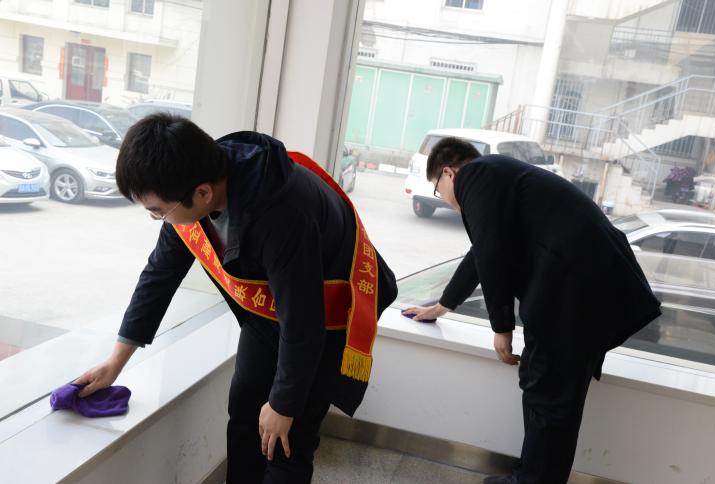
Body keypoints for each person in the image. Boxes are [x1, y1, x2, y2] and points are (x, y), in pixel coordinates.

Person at [74, 114, 398, 483]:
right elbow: (158, 277)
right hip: (272, 311)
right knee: (245, 410)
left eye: (158, 211)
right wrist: (115, 363)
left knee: (288, 437)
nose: (156, 219)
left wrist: (284, 404)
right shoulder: (189, 180)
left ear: (203, 193)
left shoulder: (282, 212)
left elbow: (304, 321)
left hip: (327, 315)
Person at [404, 137, 661, 484]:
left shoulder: (475, 176)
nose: (445, 199)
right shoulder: (497, 175)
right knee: (550, 393)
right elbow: (483, 250)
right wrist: (444, 304)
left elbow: (490, 252)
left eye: (438, 189)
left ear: (448, 173)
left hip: (573, 291)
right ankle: (530, 477)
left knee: (549, 395)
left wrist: (502, 329)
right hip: (584, 288)